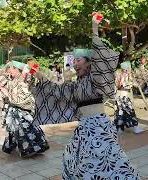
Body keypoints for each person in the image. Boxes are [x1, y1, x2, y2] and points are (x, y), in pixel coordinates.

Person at [31, 15, 139, 179]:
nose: (74, 64)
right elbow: (57, 91)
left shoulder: (95, 78)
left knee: (99, 160)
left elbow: (102, 59)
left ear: (89, 62)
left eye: (78, 60)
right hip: (84, 127)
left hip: (98, 126)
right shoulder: (76, 84)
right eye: (74, 60)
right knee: (71, 156)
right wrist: (40, 77)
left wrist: (95, 29)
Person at [0, 60, 49, 157]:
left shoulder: (25, 78)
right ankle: (10, 147)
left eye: (11, 68)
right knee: (16, 129)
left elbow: (17, 96)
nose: (9, 71)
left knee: (23, 129)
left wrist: (29, 68)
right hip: (14, 108)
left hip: (21, 109)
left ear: (17, 69)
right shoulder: (13, 79)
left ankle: (30, 149)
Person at [114, 63, 144, 134]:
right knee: (126, 111)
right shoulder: (120, 75)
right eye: (129, 68)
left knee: (122, 111)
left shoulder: (129, 75)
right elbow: (118, 85)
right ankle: (133, 127)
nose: (130, 69)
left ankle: (121, 128)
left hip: (125, 94)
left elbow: (135, 83)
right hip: (122, 95)